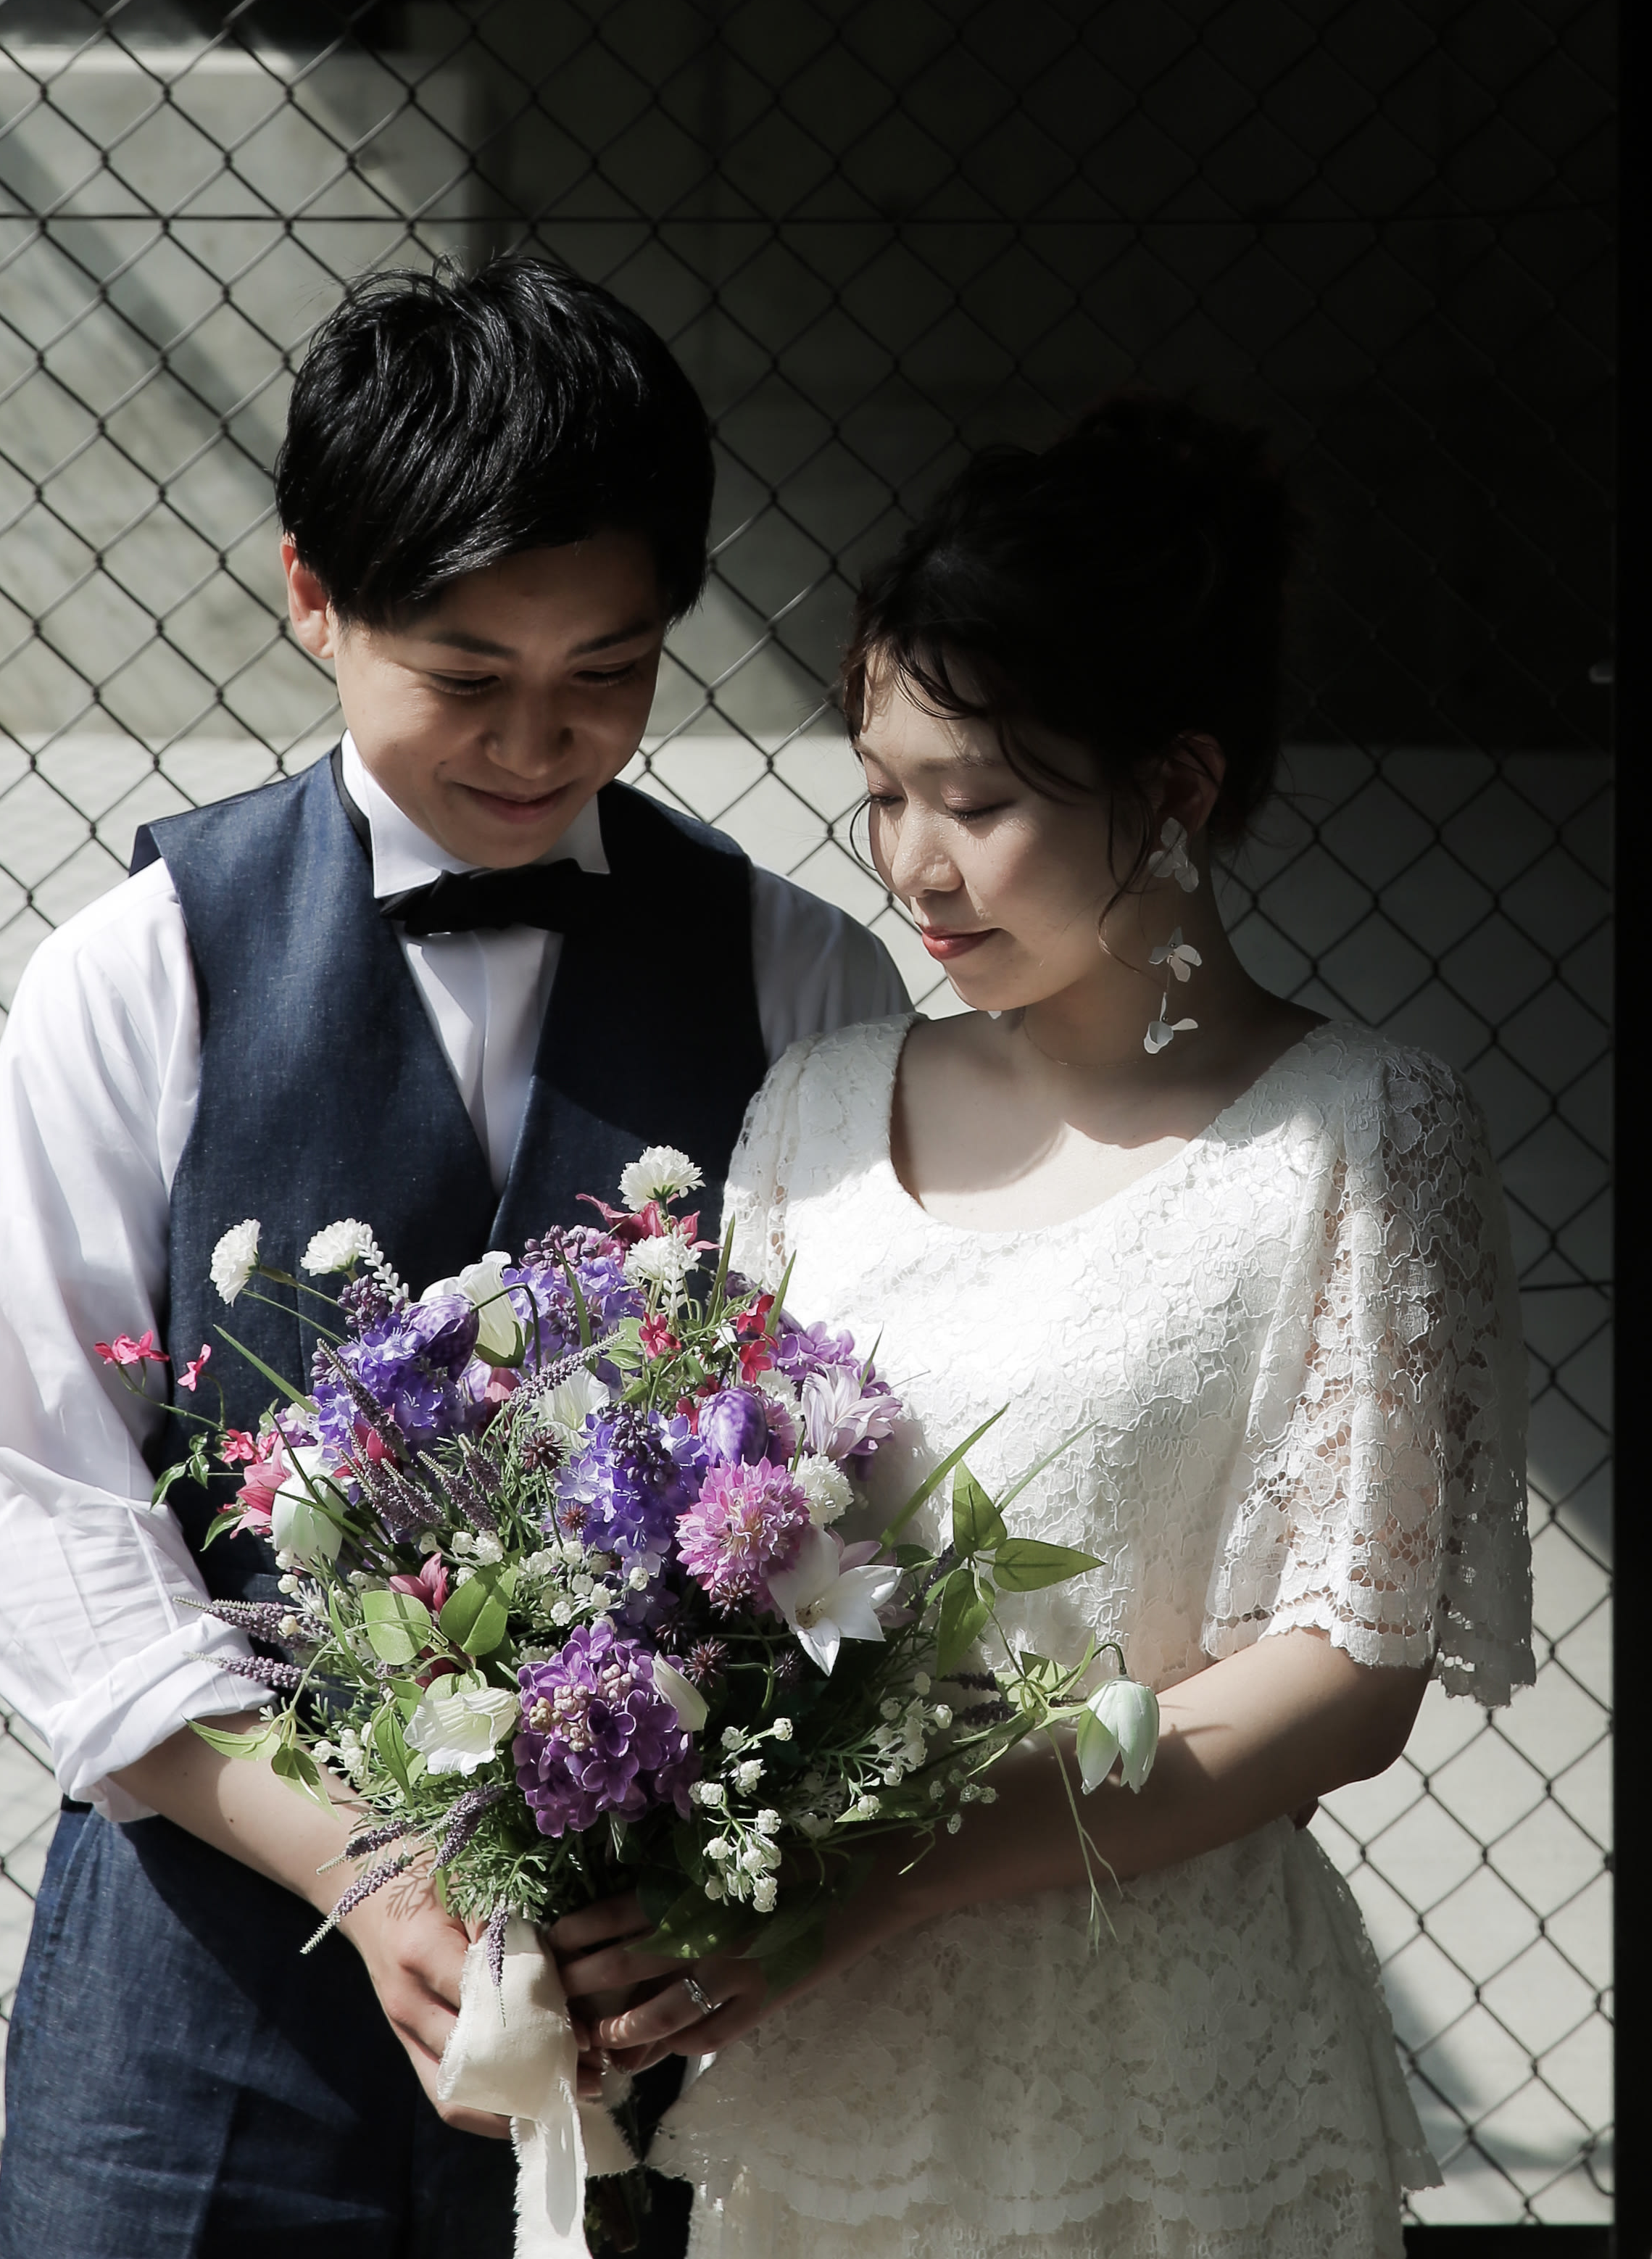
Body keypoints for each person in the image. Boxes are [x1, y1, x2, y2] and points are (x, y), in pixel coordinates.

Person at [0, 255, 907, 2259]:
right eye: (465, 676)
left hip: (650, 1984)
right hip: (205, 1954)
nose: (537, 741)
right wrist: (358, 1862)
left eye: (608, 672)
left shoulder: (804, 977)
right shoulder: (134, 973)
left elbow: (881, 1464)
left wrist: (760, 1874)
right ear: (313, 594)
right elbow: (41, 1488)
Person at [550, 394, 1534, 2259]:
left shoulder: (1361, 1139)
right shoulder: (816, 1111)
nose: (915, 865)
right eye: (884, 792)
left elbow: (1347, 1674)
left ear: (1177, 785)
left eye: (981, 802)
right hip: (833, 2057)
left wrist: (882, 1867)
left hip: (1167, 2057)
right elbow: (703, 1571)